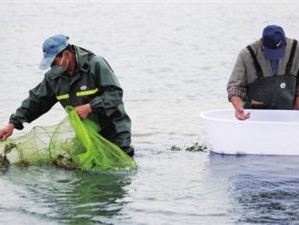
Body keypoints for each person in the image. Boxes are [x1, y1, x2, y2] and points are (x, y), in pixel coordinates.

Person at [0, 35, 134, 156]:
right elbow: (36, 101)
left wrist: (90, 107)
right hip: (86, 135)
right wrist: (12, 124)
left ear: (66, 54)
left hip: (114, 132)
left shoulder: (95, 64)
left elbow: (115, 94)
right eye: (49, 64)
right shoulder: (54, 78)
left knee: (119, 168)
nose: (52, 67)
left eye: (54, 63)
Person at [227, 25, 299, 120]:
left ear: (285, 43)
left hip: (289, 117)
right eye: (271, 52)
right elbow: (234, 87)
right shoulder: (246, 55)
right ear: (262, 44)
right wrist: (239, 108)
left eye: (277, 52)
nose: (274, 57)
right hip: (254, 117)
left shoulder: (296, 50)